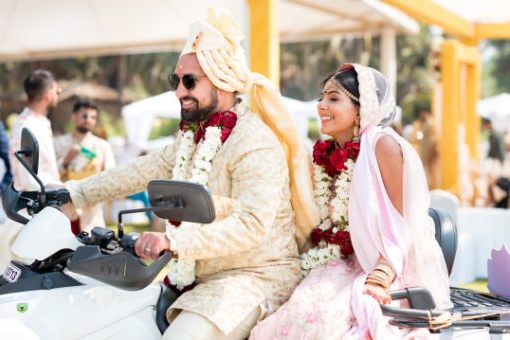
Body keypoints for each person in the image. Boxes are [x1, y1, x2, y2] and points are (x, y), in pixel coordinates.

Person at [52, 9, 319, 339]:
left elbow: (251, 224)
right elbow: (142, 169)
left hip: (253, 279)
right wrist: (73, 194)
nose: (178, 91)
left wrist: (172, 240)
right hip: (198, 279)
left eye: (189, 81)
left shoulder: (254, 143)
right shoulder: (193, 137)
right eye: (175, 81)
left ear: (221, 79)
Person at [249, 64, 453, 339]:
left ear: (362, 107)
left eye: (334, 98)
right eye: (322, 97)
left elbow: (405, 225)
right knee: (278, 313)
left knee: (322, 319)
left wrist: (380, 276)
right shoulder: (325, 153)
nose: (321, 105)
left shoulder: (384, 146)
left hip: (386, 263)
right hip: (337, 261)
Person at [54, 99, 117, 233]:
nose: (88, 120)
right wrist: (65, 161)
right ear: (74, 116)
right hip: (63, 213)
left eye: (93, 117)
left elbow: (112, 176)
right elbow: (49, 176)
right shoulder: (59, 143)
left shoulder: (102, 146)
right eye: (84, 116)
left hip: (91, 214)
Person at [11, 69, 63, 192]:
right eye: (58, 92)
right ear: (48, 96)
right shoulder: (26, 126)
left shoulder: (40, 122)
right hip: (33, 206)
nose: (58, 95)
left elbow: (44, 167)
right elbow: (28, 180)